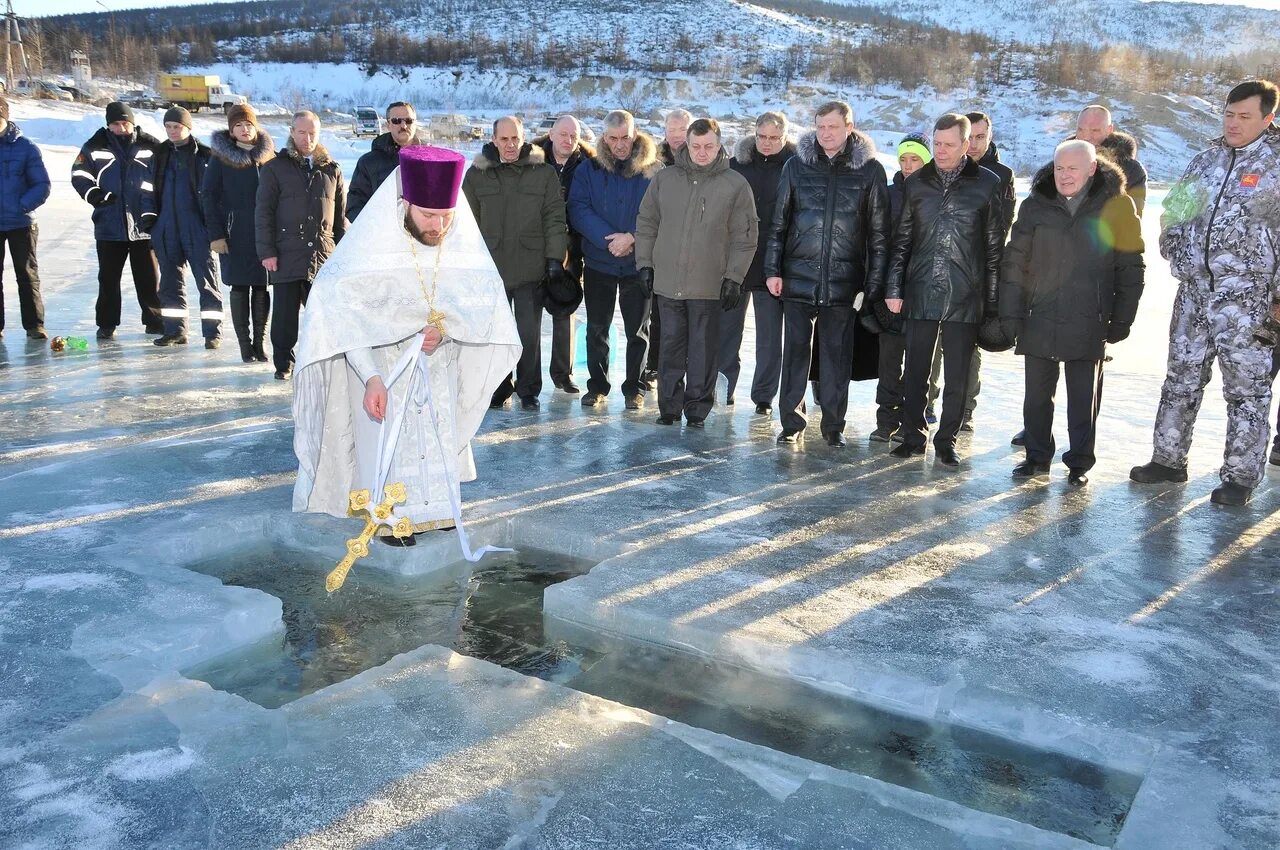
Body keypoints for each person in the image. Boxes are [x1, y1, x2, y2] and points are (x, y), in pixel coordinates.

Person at [293, 145, 520, 547]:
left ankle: (437, 512)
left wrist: (446, 330)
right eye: (428, 215)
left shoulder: (457, 246)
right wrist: (372, 377)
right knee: (388, 448)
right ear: (404, 203)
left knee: (436, 440)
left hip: (438, 370)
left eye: (445, 216)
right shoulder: (368, 251)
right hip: (384, 372)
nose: (437, 226)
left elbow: (479, 307)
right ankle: (390, 518)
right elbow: (340, 317)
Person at [1131, 80, 1280, 507]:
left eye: (1245, 117)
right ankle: (1168, 459)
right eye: (1229, 114)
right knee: (1180, 379)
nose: (1234, 124)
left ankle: (1240, 476)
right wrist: (1179, 253)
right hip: (1194, 294)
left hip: (1247, 301)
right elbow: (1175, 212)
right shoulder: (1206, 160)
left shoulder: (1275, 166)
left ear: (1268, 118)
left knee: (1247, 392)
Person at [1001, 140, 1144, 486]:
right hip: (1039, 313)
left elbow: (1130, 267)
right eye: (1059, 168)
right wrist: (1009, 313)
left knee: (1083, 398)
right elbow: (1014, 261)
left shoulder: (1118, 206)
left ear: (1092, 169)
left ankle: (1079, 462)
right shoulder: (1036, 205)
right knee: (1036, 397)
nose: (1064, 176)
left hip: (1088, 316)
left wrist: (1122, 318)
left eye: (1073, 169)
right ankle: (1036, 457)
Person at [765, 101, 890, 447]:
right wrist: (772, 270)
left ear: (849, 128)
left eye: (833, 127)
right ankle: (791, 423)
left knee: (837, 358)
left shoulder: (870, 171)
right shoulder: (796, 166)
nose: (826, 134)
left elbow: (879, 236)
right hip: (798, 276)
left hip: (844, 282)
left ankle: (833, 426)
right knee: (795, 355)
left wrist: (873, 285)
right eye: (820, 127)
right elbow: (778, 223)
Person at [886, 113, 1004, 467]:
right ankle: (912, 436)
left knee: (956, 375)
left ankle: (947, 440)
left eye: (949, 145)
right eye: (937, 143)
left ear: (967, 146)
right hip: (921, 287)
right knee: (916, 370)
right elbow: (902, 239)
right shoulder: (917, 183)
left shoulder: (987, 184)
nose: (940, 150)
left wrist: (993, 302)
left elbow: (994, 247)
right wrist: (894, 287)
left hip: (965, 291)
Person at [636, 117, 757, 427]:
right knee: (670, 346)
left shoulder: (735, 184)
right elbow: (647, 222)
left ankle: (697, 409)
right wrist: (645, 264)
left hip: (708, 284)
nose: (702, 153)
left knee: (703, 349)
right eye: (696, 146)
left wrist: (734, 277)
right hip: (668, 281)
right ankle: (669, 407)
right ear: (686, 146)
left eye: (708, 147)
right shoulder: (666, 179)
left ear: (719, 146)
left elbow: (745, 236)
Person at [462, 115, 567, 410]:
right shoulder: (477, 174)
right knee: (494, 333)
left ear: (524, 139)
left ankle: (529, 388)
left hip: (530, 267)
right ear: (494, 139)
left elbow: (555, 218)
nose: (510, 145)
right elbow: (466, 222)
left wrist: (554, 259)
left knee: (528, 333)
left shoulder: (543, 173)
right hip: (490, 269)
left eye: (515, 139)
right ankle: (498, 385)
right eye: (504, 139)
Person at [567, 109, 662, 410]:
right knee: (597, 327)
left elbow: (660, 212)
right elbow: (578, 208)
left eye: (626, 138)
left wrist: (632, 237)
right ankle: (597, 386)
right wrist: (609, 239)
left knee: (638, 330)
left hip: (638, 262)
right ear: (604, 138)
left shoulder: (653, 170)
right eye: (613, 139)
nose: (620, 145)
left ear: (635, 135)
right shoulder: (588, 170)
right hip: (599, 260)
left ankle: (635, 388)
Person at [255, 110, 346, 380]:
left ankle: (323, 361)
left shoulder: (332, 170)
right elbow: (263, 213)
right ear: (292, 132)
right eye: (302, 132)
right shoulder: (274, 168)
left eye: (312, 133)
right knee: (285, 317)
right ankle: (284, 363)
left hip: (322, 254)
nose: (307, 138)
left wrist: (343, 255)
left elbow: (340, 219)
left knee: (323, 315)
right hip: (286, 254)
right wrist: (267, 252)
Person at [724, 111, 796, 415]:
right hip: (737, 261)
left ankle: (764, 396)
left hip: (773, 264)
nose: (766, 143)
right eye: (762, 136)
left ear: (784, 137)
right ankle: (723, 388)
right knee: (727, 332)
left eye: (774, 138)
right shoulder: (735, 165)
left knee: (769, 337)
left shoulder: (795, 167)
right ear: (754, 133)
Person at [71, 101, 163, 340]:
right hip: (109, 224)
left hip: (143, 224)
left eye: (125, 123)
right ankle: (107, 323)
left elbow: (163, 176)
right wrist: (94, 195)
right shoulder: (93, 146)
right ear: (108, 125)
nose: (121, 128)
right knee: (108, 278)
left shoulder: (151, 145)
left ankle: (154, 320)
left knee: (148, 277)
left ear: (132, 123)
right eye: (116, 124)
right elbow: (79, 174)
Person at [869, 132, 930, 443]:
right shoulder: (888, 194)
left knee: (921, 360)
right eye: (904, 159)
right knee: (889, 358)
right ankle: (885, 420)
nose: (908, 165)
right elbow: (875, 239)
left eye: (915, 159)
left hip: (925, 291)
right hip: (890, 290)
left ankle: (914, 421)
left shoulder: (936, 193)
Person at [204, 103, 276, 363]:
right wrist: (216, 234)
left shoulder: (270, 157)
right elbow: (209, 197)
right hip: (234, 233)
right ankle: (245, 345)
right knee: (239, 286)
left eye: (248, 124)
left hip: (264, 234)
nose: (244, 129)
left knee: (261, 286)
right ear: (231, 131)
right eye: (238, 126)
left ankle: (259, 343)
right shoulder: (220, 159)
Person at [152, 107, 223, 349]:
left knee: (207, 282)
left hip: (197, 228)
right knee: (170, 284)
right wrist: (151, 222)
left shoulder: (205, 155)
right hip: (166, 228)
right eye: (169, 127)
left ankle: (212, 333)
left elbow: (216, 195)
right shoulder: (159, 154)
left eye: (177, 126)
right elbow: (146, 190)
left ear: (188, 127)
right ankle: (175, 331)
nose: (172, 131)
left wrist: (212, 227)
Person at [534, 114, 594, 394]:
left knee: (564, 309)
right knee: (529, 313)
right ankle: (525, 378)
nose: (568, 140)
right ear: (551, 134)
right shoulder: (533, 159)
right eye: (563, 134)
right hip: (534, 244)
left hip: (571, 246)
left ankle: (562, 373)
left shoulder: (588, 165)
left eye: (574, 135)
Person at [647, 107, 695, 386]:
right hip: (660, 249)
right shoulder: (652, 161)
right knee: (658, 313)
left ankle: (689, 366)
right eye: (671, 129)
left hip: (692, 249)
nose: (676, 136)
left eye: (682, 130)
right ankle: (654, 366)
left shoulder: (700, 158)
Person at [0, 94, 50, 340]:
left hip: (21, 223)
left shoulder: (25, 147)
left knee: (27, 275)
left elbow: (41, 185)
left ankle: (34, 325)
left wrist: (22, 206)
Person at [347, 100, 417, 221]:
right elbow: (355, 206)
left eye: (408, 121)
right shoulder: (368, 163)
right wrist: (376, 228)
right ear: (388, 124)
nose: (403, 126)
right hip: (382, 236)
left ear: (415, 123)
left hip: (421, 237)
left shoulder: (430, 161)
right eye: (396, 121)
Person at [1076, 105, 1148, 217]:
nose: (1086, 137)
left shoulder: (1132, 170)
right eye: (1081, 129)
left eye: (1094, 130)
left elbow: (1132, 221)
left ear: (1110, 130)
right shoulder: (1061, 163)